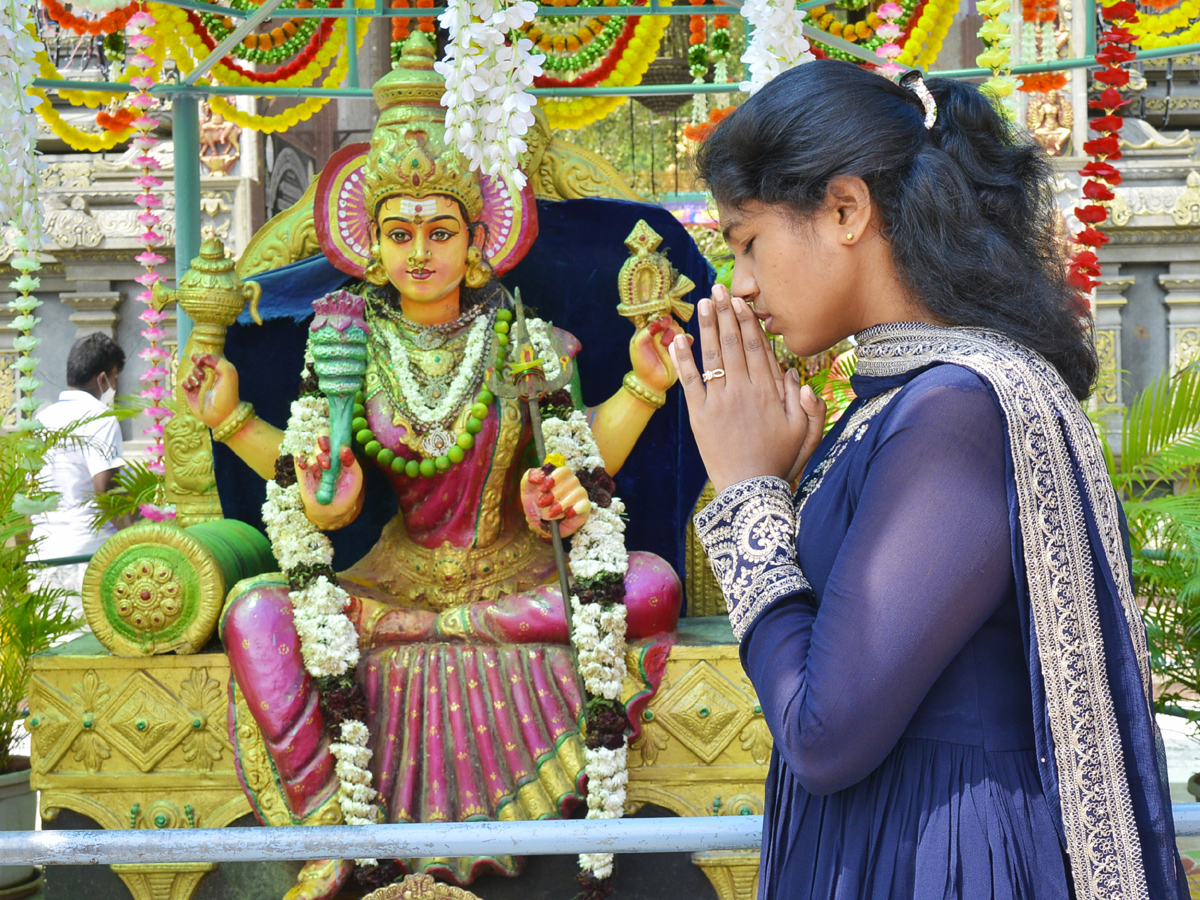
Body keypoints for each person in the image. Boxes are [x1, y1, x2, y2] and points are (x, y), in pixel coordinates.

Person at [181, 35, 684, 899]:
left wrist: (642, 384)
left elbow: (577, 458)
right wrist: (230, 419)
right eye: (400, 233)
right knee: (258, 611)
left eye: (441, 232)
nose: (420, 252)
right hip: (392, 590)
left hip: (511, 576)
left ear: (479, 242)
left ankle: (453, 686)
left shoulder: (525, 342)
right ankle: (330, 832)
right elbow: (331, 505)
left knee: (645, 584)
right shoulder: (343, 347)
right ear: (369, 245)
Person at [671, 63, 1189, 899]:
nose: (742, 285)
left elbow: (825, 734)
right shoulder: (905, 404)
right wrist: (795, 483)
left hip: (946, 859)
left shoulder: (954, 409)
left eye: (746, 240)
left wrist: (745, 495)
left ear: (845, 209)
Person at [30, 333, 127, 595]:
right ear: (103, 379)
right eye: (115, 378)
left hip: (43, 555)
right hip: (89, 557)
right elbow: (105, 488)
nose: (114, 386)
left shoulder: (42, 419)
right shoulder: (101, 418)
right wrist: (133, 539)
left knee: (53, 637)